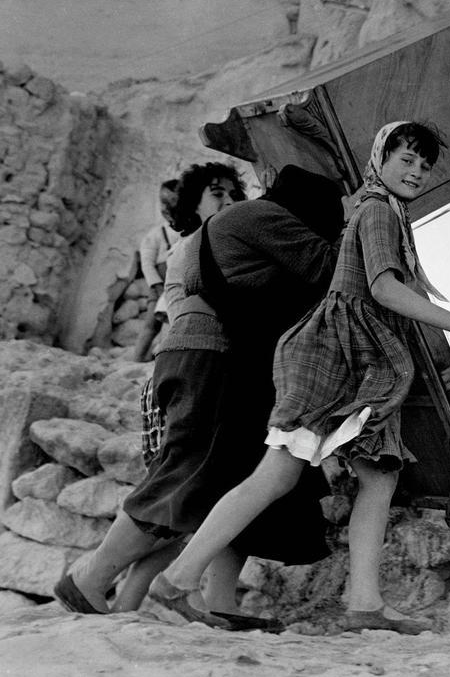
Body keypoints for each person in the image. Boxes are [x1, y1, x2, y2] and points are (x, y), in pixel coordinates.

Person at [149, 121, 450, 633]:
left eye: (424, 165)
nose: (417, 172)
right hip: (335, 355)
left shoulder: (385, 210)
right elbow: (381, 288)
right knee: (279, 474)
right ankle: (178, 579)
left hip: (357, 354)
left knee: (378, 473)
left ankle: (363, 603)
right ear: (380, 159)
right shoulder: (379, 210)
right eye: (407, 160)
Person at [55, 163, 337, 627]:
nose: (228, 199)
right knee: (186, 475)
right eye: (216, 193)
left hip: (209, 358)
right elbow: (322, 271)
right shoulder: (241, 226)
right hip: (208, 356)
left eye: (232, 191)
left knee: (226, 477)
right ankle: (91, 575)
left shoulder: (217, 237)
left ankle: (209, 600)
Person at [131, 180, 182, 362]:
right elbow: (147, 264)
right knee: (151, 325)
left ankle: (162, 358)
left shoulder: (185, 230)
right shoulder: (155, 235)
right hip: (160, 285)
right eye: (165, 203)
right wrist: (158, 286)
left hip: (177, 282)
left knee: (172, 324)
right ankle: (137, 358)